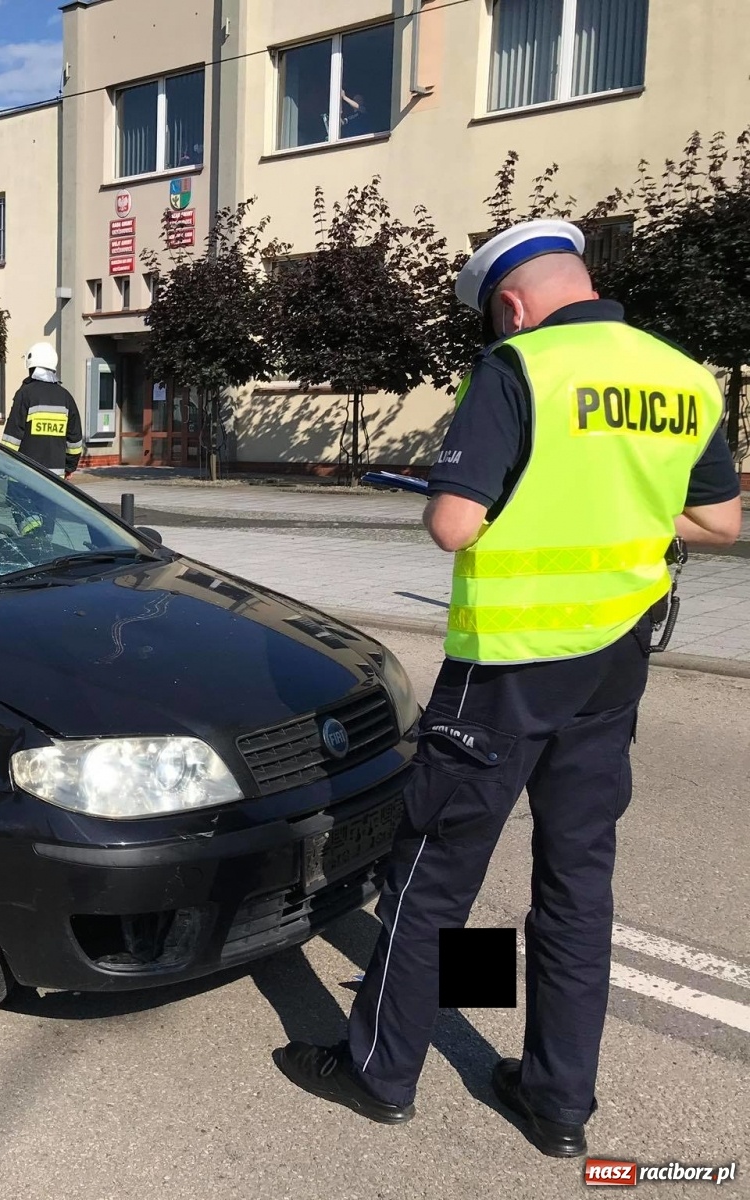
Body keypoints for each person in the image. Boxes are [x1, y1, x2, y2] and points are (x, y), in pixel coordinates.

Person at [274, 220, 743, 1156]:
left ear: (514, 304)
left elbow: (455, 524)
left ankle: (382, 1072)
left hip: (508, 668)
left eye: (494, 318)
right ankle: (558, 1102)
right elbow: (721, 522)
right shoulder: (683, 375)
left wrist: (459, 493)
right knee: (577, 882)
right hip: (613, 666)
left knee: (436, 873)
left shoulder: (519, 368)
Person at [1, 342, 84, 477]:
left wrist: (5, 466)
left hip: (24, 475)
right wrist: (69, 467)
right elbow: (75, 441)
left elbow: (12, 436)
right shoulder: (66, 397)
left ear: (31, 367)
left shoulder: (25, 393)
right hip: (55, 480)